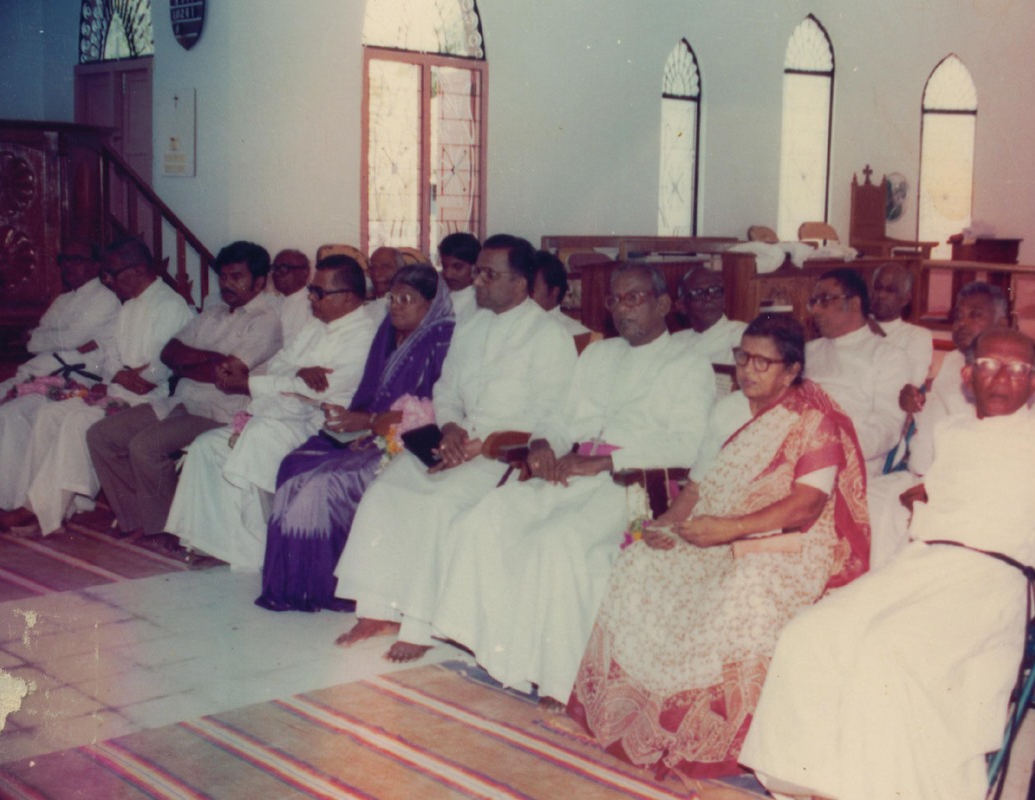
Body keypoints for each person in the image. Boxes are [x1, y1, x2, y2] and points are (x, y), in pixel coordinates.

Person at [739, 328, 1035, 800]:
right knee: (808, 634)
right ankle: (803, 779)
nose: (1001, 378)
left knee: (888, 652)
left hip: (993, 578)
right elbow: (961, 491)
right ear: (967, 376)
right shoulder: (953, 432)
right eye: (988, 365)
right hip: (919, 564)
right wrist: (929, 498)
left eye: (1017, 369)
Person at [567, 313, 869, 779]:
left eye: (762, 362)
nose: (747, 370)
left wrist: (728, 530)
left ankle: (717, 738)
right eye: (743, 357)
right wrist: (665, 526)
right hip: (716, 529)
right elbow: (699, 485)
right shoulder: (728, 410)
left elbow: (806, 506)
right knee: (640, 561)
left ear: (791, 370)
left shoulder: (814, 421)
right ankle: (634, 713)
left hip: (786, 545)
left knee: (743, 590)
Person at [433, 262, 715, 707]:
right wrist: (545, 442)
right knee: (489, 514)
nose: (622, 309)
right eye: (615, 299)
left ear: (663, 304)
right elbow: (562, 417)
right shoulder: (599, 355)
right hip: (572, 469)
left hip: (633, 484)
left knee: (557, 540)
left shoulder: (689, 364)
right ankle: (493, 648)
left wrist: (605, 463)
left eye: (634, 298)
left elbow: (687, 444)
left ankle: (559, 677)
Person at [332, 233, 577, 660]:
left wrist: (482, 445)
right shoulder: (472, 325)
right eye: (478, 272)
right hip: (456, 442)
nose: (477, 282)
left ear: (520, 284)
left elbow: (555, 418)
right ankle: (378, 610)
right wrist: (448, 429)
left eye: (489, 275)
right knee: (386, 489)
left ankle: (420, 624)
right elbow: (445, 390)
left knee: (438, 505)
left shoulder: (549, 336)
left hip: (502, 455)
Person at [255, 263, 455, 613]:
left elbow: (437, 410)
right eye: (392, 298)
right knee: (294, 465)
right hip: (371, 430)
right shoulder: (386, 332)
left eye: (406, 299)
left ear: (431, 303)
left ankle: (330, 586)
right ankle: (292, 582)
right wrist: (356, 421)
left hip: (413, 442)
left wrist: (372, 423)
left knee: (326, 482)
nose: (395, 306)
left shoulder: (442, 340)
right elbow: (368, 394)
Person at [161, 254, 377, 569]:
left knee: (257, 440)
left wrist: (274, 381)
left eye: (318, 292)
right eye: (312, 291)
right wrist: (299, 371)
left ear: (347, 297)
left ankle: (256, 552)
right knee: (206, 447)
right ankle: (212, 543)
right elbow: (279, 363)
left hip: (321, 425)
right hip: (284, 411)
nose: (311, 298)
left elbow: (319, 391)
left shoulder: (364, 336)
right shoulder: (317, 325)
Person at [0, 239, 194, 535]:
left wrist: (125, 374)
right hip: (118, 391)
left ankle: (39, 513)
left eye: (113, 274)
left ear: (137, 270)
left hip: (151, 403)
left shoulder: (170, 306)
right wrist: (121, 374)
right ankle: (46, 505)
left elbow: (154, 375)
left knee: (78, 421)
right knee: (49, 415)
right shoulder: (129, 304)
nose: (108, 281)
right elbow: (111, 358)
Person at [85, 241, 282, 540]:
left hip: (220, 411)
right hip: (182, 401)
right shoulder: (213, 312)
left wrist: (191, 362)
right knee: (102, 435)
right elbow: (169, 353)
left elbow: (228, 374)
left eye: (237, 277)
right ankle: (137, 518)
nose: (227, 284)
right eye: (223, 276)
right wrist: (208, 361)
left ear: (259, 281)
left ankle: (167, 527)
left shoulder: (265, 321)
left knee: (145, 447)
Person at [867, 281, 1011, 567]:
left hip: (963, 490)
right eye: (959, 316)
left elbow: (997, 457)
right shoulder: (954, 360)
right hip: (921, 475)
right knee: (865, 500)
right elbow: (939, 412)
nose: (962, 323)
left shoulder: (1011, 376)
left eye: (975, 315)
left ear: (1002, 323)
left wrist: (937, 489)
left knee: (904, 535)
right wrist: (913, 401)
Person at [0, 240, 119, 500]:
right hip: (35, 374)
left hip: (72, 382)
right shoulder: (61, 300)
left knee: (11, 414)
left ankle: (14, 496)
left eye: (77, 260)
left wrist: (47, 338)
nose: (69, 266)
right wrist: (52, 339)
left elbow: (65, 338)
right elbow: (35, 342)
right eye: (64, 260)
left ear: (96, 265)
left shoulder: (105, 299)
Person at [804, 267, 908, 477]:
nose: (815, 310)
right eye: (813, 302)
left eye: (824, 300)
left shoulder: (887, 356)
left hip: (851, 463)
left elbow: (887, 428)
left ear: (853, 303)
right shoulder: (808, 350)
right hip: (799, 452)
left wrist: (828, 449)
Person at [870, 261, 932, 388]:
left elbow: (914, 383)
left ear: (906, 299)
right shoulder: (856, 324)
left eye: (890, 290)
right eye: (878, 288)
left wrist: (880, 334)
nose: (881, 295)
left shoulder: (918, 336)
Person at [671, 266, 746, 365]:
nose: (708, 298)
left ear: (724, 300)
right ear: (681, 305)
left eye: (715, 291)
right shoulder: (676, 340)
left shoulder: (741, 333)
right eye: (697, 293)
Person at [531, 249, 589, 336]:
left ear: (554, 291)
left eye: (532, 288)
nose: (524, 295)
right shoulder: (515, 325)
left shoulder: (576, 333)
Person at [270, 248, 313, 340]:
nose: (277, 273)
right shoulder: (272, 302)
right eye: (274, 268)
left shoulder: (310, 306)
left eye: (284, 268)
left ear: (305, 272)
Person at [438, 232, 480, 324]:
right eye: (445, 267)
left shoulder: (479, 304)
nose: (448, 274)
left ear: (475, 267)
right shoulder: (440, 295)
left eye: (457, 267)